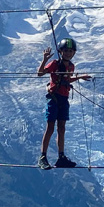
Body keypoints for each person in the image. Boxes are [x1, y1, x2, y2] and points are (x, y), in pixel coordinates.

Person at [37, 37, 92, 169]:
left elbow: (67, 79)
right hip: (54, 98)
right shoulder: (55, 64)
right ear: (61, 52)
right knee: (50, 128)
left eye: (71, 51)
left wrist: (79, 77)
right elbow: (40, 73)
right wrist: (45, 59)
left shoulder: (71, 66)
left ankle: (61, 157)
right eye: (66, 51)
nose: (68, 53)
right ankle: (43, 157)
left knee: (61, 128)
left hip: (64, 99)